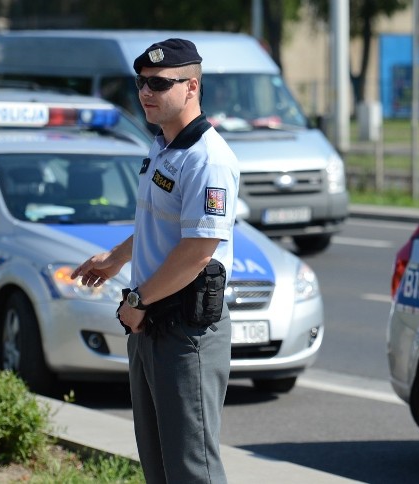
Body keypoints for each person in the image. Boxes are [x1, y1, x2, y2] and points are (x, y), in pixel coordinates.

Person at [71, 38, 239, 483]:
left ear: (192, 87)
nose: (147, 92)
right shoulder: (163, 147)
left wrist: (140, 300)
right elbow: (159, 226)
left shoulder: (209, 159)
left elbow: (199, 250)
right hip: (150, 324)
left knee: (192, 469)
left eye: (160, 84)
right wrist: (115, 257)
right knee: (158, 468)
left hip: (186, 333)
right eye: (142, 82)